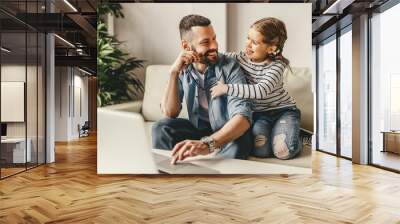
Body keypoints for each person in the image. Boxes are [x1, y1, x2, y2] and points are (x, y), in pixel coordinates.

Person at [152, 14, 253, 164]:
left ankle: (218, 181)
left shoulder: (229, 66)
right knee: (162, 127)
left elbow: (243, 118)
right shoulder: (183, 68)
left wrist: (208, 144)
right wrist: (173, 73)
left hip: (226, 130)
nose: (214, 46)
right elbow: (170, 112)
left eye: (214, 38)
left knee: (241, 140)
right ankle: (169, 173)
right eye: (206, 42)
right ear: (186, 46)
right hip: (198, 128)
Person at [210, 17, 302, 160]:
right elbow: (220, 57)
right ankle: (279, 135)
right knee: (261, 152)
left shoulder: (276, 67)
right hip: (259, 115)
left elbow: (260, 90)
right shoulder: (240, 58)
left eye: (254, 42)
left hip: (283, 112)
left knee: (283, 151)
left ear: (271, 48)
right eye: (248, 38)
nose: (248, 45)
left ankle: (297, 137)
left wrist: (227, 88)